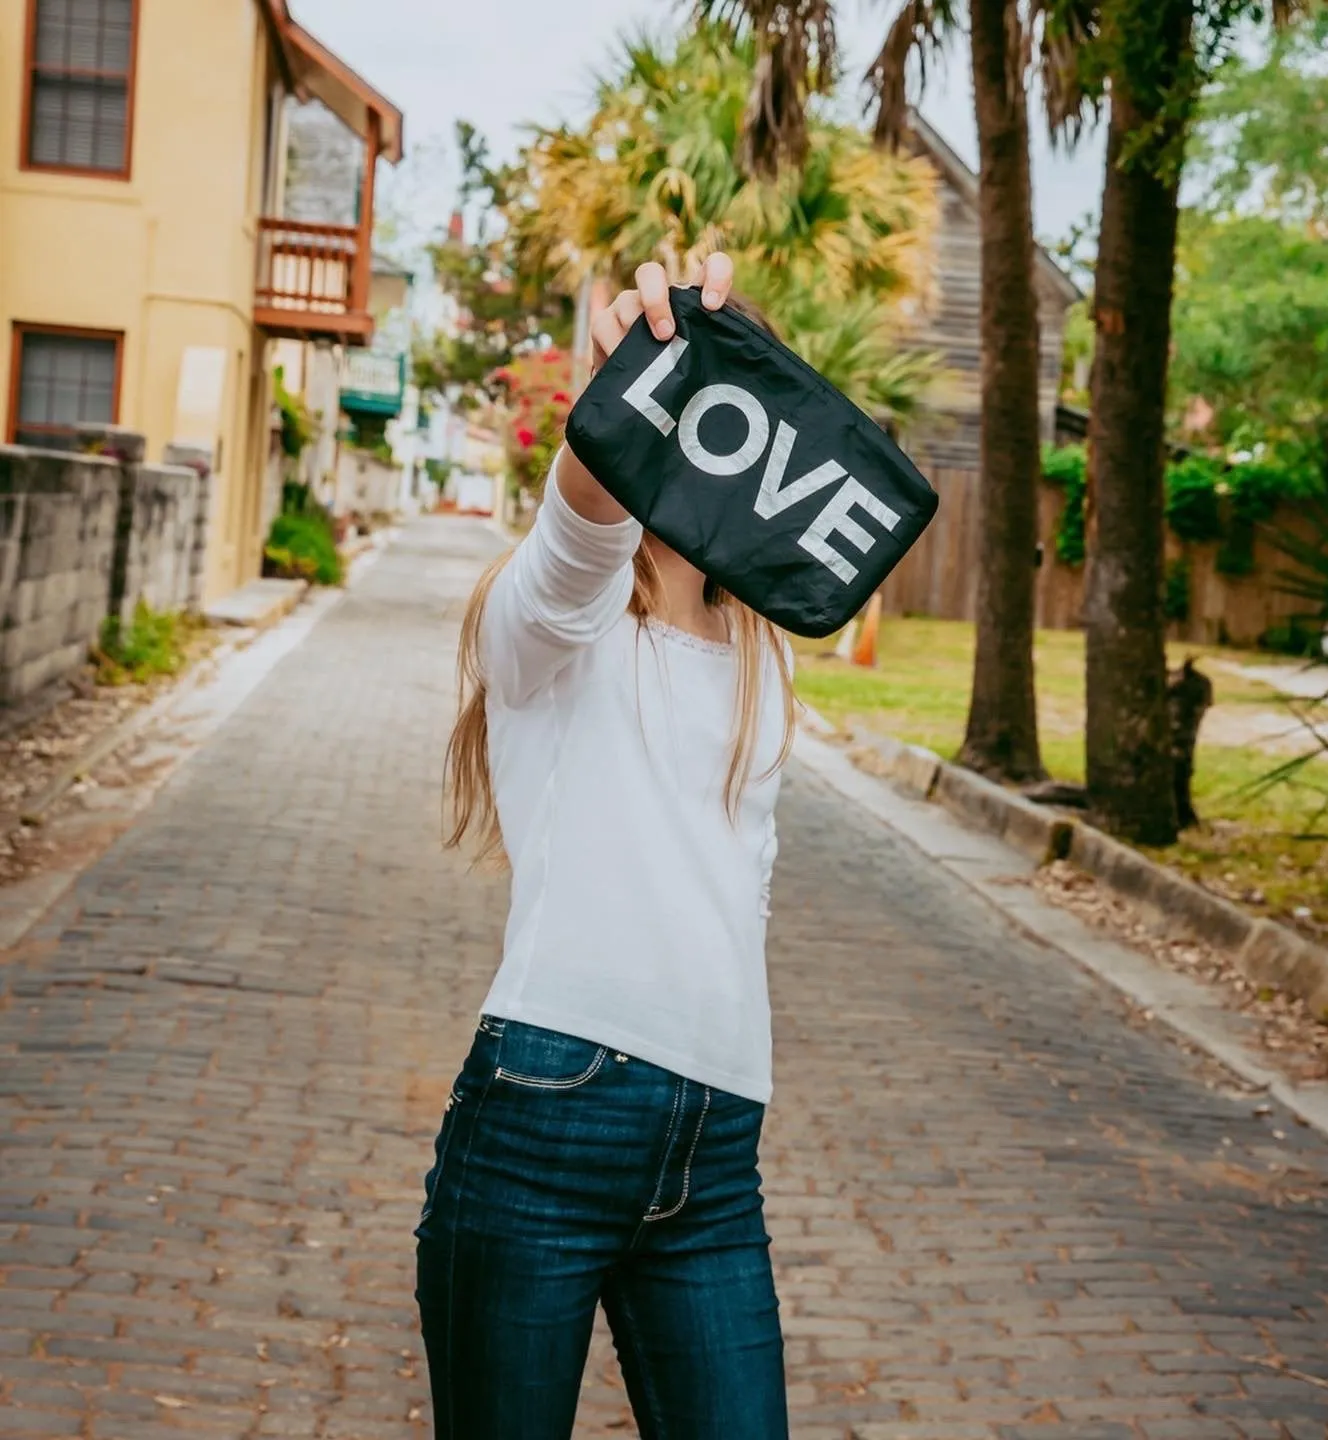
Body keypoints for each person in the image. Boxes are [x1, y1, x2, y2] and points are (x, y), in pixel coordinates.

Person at [415, 253, 796, 1440]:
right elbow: (585, 528)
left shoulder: (760, 647)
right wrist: (629, 377)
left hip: (717, 1141)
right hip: (546, 1112)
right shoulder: (550, 618)